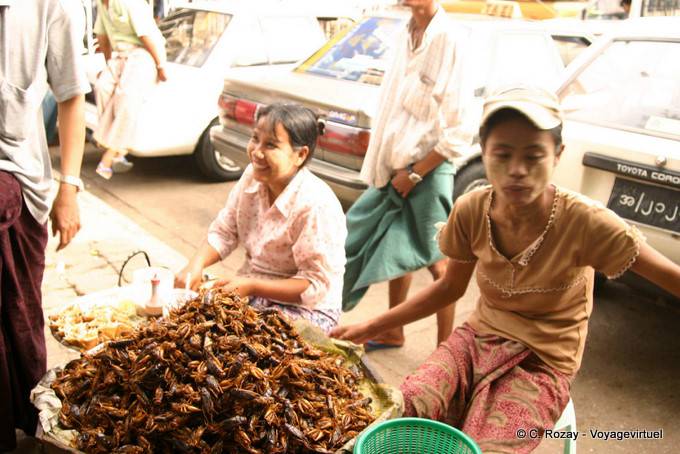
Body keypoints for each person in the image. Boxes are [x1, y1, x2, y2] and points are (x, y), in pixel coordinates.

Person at [331, 86, 680, 453]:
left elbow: (669, 276)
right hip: (477, 338)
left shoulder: (585, 222)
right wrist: (368, 326)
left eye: (533, 156)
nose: (517, 170)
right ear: (484, 154)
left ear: (557, 155)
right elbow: (449, 288)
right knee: (396, 415)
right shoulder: (471, 210)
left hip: (544, 359)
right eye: (502, 154)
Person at [342, 0, 473, 350]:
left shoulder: (449, 38)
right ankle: (392, 329)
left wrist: (416, 174)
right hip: (398, 167)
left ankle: (446, 350)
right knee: (395, 247)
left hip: (427, 170)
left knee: (438, 262)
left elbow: (460, 127)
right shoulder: (404, 33)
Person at [0, 0, 90, 450]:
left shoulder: (54, 5)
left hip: (15, 178)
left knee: (19, 316)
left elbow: (73, 96)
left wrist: (68, 188)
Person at [175, 103, 347, 334]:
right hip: (253, 292)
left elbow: (314, 285)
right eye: (255, 139)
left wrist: (251, 286)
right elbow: (225, 231)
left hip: (306, 309)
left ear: (300, 155)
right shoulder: (252, 176)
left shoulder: (315, 204)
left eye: (271, 145)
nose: (256, 152)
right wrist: (194, 265)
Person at [92, 0, 166, 179]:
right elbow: (102, 38)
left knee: (125, 98)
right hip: (120, 56)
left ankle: (108, 158)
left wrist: (160, 65)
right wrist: (108, 64)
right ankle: (117, 148)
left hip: (144, 54)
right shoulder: (103, 5)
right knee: (102, 87)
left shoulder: (130, 3)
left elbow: (146, 36)